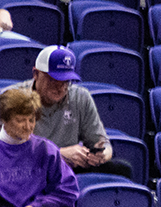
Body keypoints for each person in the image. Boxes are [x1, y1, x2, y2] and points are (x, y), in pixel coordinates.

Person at [26, 46, 129, 178]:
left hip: (70, 168)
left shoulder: (81, 97)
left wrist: (101, 155)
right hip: (33, 168)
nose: (60, 87)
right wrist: (58, 154)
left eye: (65, 81)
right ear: (36, 74)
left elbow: (101, 142)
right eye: (53, 80)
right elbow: (9, 152)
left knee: (122, 169)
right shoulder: (14, 100)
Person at [0, 85, 78, 207]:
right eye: (20, 121)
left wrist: (36, 206)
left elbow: (68, 190)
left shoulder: (45, 149)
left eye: (31, 120)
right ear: (4, 120)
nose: (28, 127)